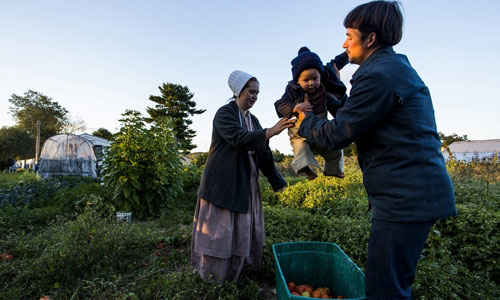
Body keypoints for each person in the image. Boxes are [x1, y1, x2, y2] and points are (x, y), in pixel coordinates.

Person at [295, 1, 457, 299]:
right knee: (391, 283)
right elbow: (359, 117)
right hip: (410, 194)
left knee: (385, 289)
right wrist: (336, 94)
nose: (344, 43)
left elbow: (337, 134)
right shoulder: (391, 68)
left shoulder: (378, 75)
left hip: (404, 197)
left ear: (370, 39)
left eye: (349, 35)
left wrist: (305, 121)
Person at [191, 70, 293, 283]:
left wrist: (277, 182)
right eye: (251, 91)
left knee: (240, 231)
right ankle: (214, 277)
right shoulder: (224, 114)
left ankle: (240, 275)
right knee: (221, 232)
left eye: (257, 93)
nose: (255, 96)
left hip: (245, 184)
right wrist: (270, 132)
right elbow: (239, 138)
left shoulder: (253, 120)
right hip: (224, 185)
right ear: (239, 91)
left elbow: (263, 153)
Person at [274, 47, 348, 180]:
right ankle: (305, 169)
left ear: (321, 74)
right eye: (306, 80)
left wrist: (349, 53)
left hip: (320, 125)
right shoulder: (292, 89)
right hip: (299, 129)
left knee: (335, 145)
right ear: (297, 80)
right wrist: (296, 107)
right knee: (301, 148)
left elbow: (338, 62)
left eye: (315, 78)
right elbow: (280, 105)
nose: (312, 83)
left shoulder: (326, 80)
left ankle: (334, 169)